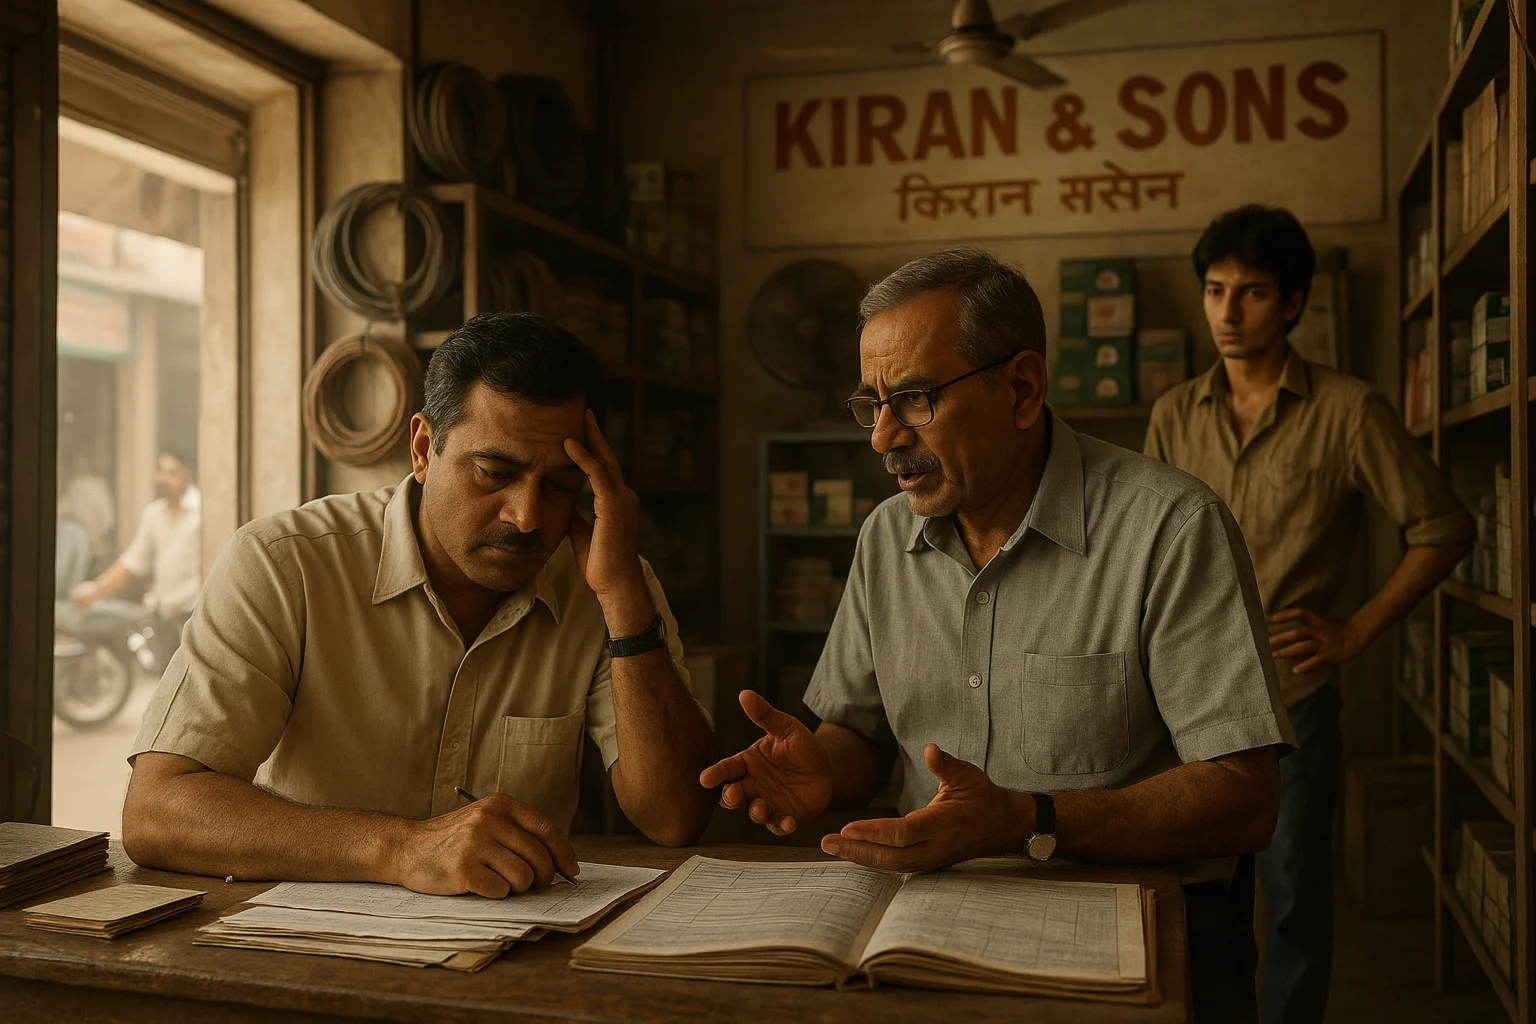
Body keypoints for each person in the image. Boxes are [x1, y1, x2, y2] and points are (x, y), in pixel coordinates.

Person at [700, 248, 1295, 1023]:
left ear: (1020, 388)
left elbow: (1244, 799)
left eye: (913, 400)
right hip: (928, 929)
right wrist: (823, 765)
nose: (882, 439)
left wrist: (1030, 820)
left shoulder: (1171, 528)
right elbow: (862, 735)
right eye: (869, 405)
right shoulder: (886, 540)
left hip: (1135, 939)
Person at [122, 313, 716, 896]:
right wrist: (400, 848)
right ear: (425, 448)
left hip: (511, 958)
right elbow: (157, 810)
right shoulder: (285, 565)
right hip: (307, 952)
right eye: (493, 473)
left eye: (561, 486)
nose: (527, 516)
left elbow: (673, 817)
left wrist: (624, 601)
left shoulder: (607, 581)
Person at [1142, 206, 1474, 1024]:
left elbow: (1445, 527)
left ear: (1293, 304)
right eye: (1215, 290)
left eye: (1250, 293)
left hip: (1295, 699)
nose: (1226, 311)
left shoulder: (1350, 410)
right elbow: (1140, 556)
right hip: (1181, 704)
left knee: (1292, 900)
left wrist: (1356, 630)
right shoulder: (1175, 414)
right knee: (1192, 898)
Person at [73, 450, 202, 665]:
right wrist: (96, 591)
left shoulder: (204, 512)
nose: (165, 479)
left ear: (187, 473)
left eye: (173, 473)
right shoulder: (154, 514)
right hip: (164, 618)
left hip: (196, 617)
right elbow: (133, 562)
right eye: (161, 471)